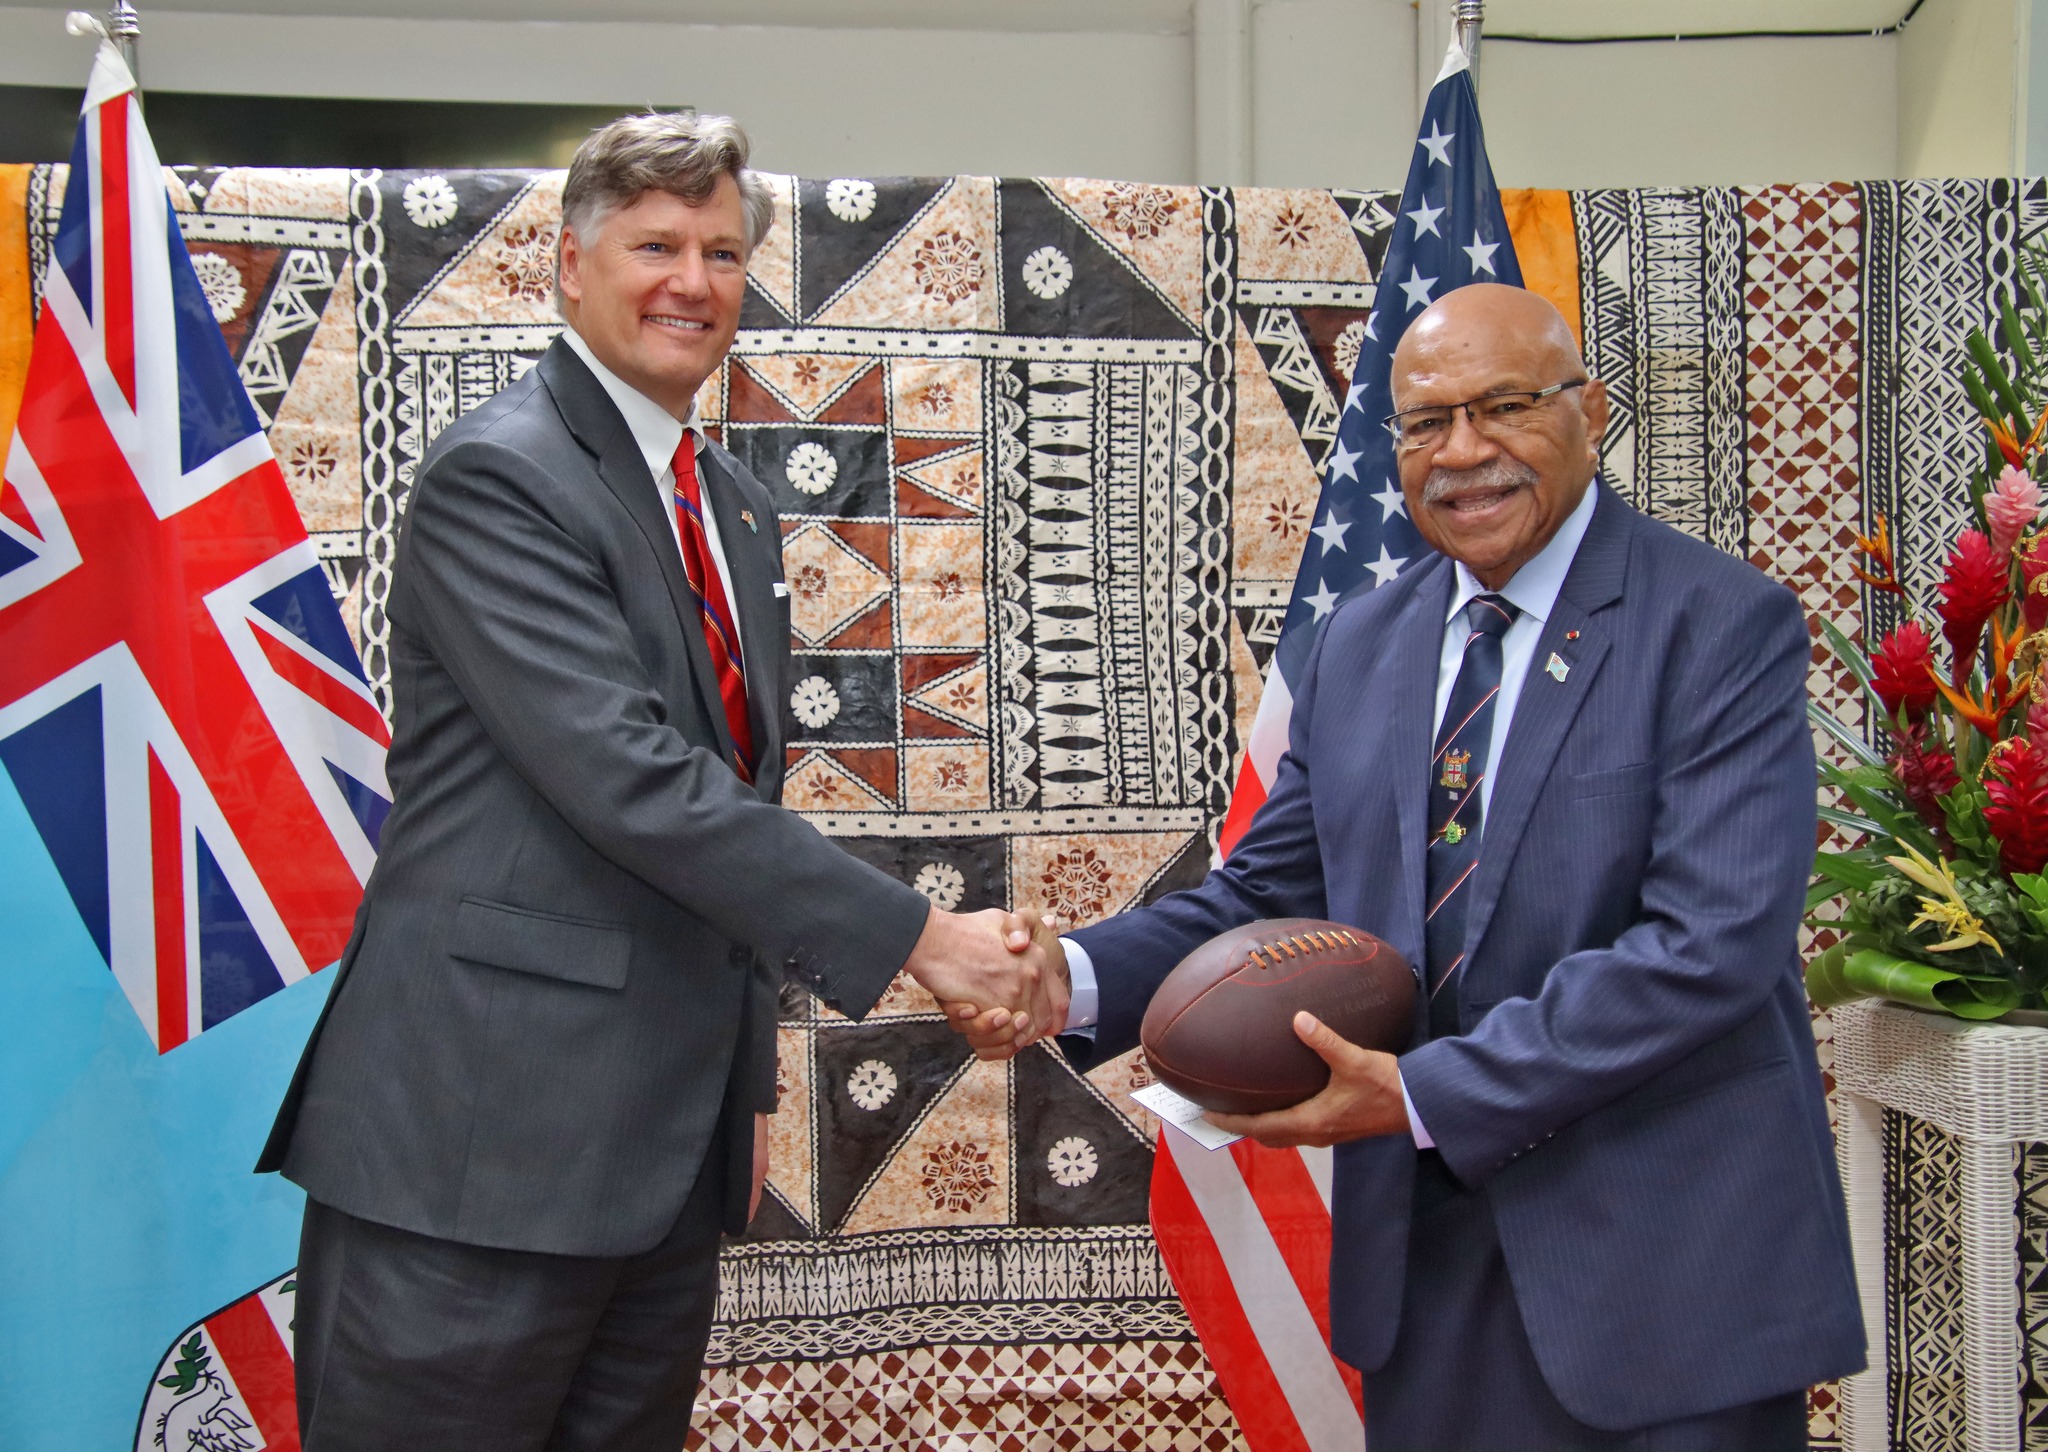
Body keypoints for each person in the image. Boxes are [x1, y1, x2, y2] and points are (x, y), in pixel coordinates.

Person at [257, 112, 1061, 1451]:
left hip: (660, 1164)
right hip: (480, 1157)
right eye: (656, 244)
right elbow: (633, 782)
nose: (693, 278)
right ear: (570, 268)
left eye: (723, 250)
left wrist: (741, 1081)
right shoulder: (500, 480)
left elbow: (724, 803)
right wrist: (929, 940)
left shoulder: (730, 502)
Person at [952, 284, 1863, 1449]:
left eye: (1504, 407)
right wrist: (1064, 979)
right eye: (1426, 422)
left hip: (1660, 1274)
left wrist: (1421, 1092)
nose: (1463, 452)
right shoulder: (1361, 643)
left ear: (1586, 411)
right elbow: (1265, 895)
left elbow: (1710, 944)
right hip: (1426, 1273)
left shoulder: (1717, 624)